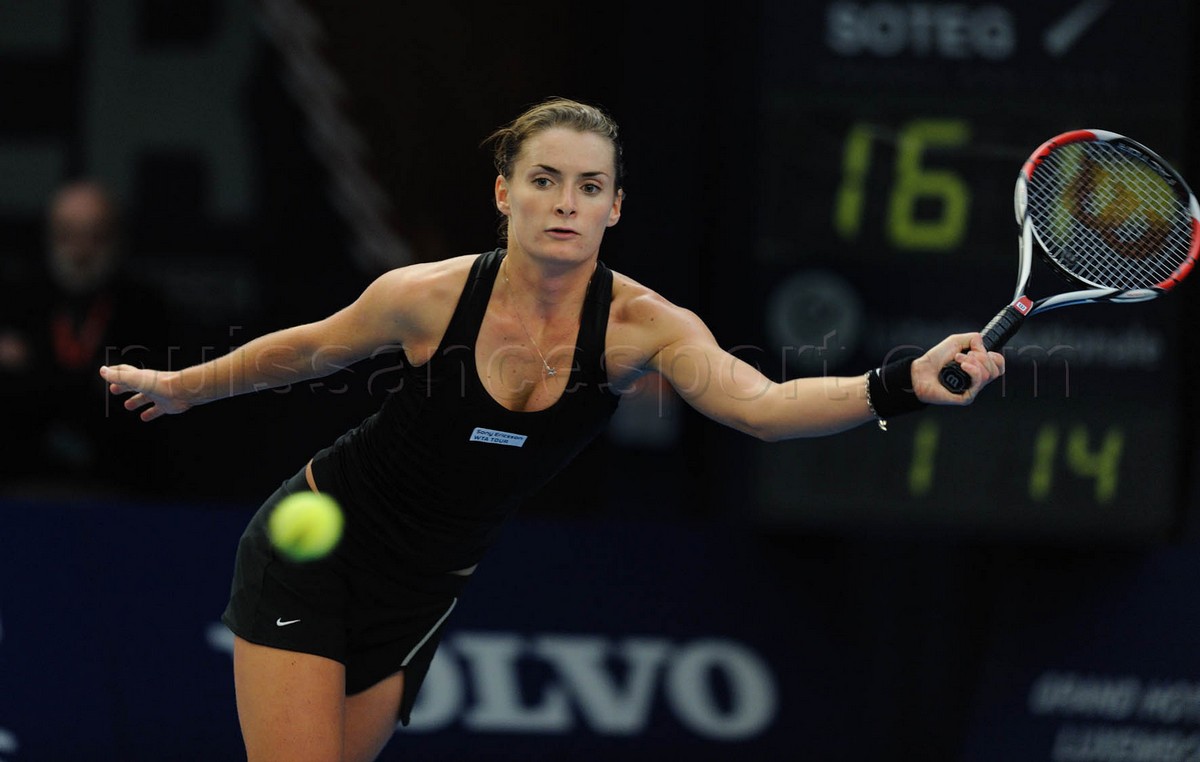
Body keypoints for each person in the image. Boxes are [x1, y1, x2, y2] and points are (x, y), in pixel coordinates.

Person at [99, 98, 1004, 762]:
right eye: (544, 181)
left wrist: (903, 383)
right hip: (316, 548)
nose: (566, 202)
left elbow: (761, 408)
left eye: (589, 186)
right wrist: (181, 388)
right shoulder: (426, 297)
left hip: (422, 590)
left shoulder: (645, 327)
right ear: (505, 194)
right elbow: (305, 351)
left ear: (616, 207)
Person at [0, 180, 168, 496]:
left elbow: (148, 410)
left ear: (116, 238)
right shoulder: (16, 301)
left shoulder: (145, 309)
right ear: (49, 236)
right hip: (20, 482)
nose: (80, 250)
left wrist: (34, 366)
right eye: (67, 234)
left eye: (95, 235)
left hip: (119, 485)